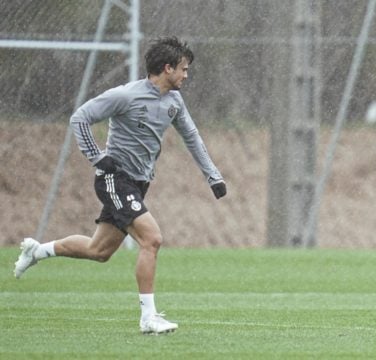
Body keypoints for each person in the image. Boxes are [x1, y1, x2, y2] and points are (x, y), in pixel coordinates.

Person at [13, 36, 227, 335]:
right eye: (183, 69)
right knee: (152, 239)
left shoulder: (174, 101)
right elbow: (80, 118)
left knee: (98, 250)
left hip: (139, 183)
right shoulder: (126, 95)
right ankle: (148, 318)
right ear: (167, 69)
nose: (186, 75)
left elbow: (191, 137)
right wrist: (97, 158)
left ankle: (37, 251)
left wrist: (213, 175)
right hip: (115, 178)